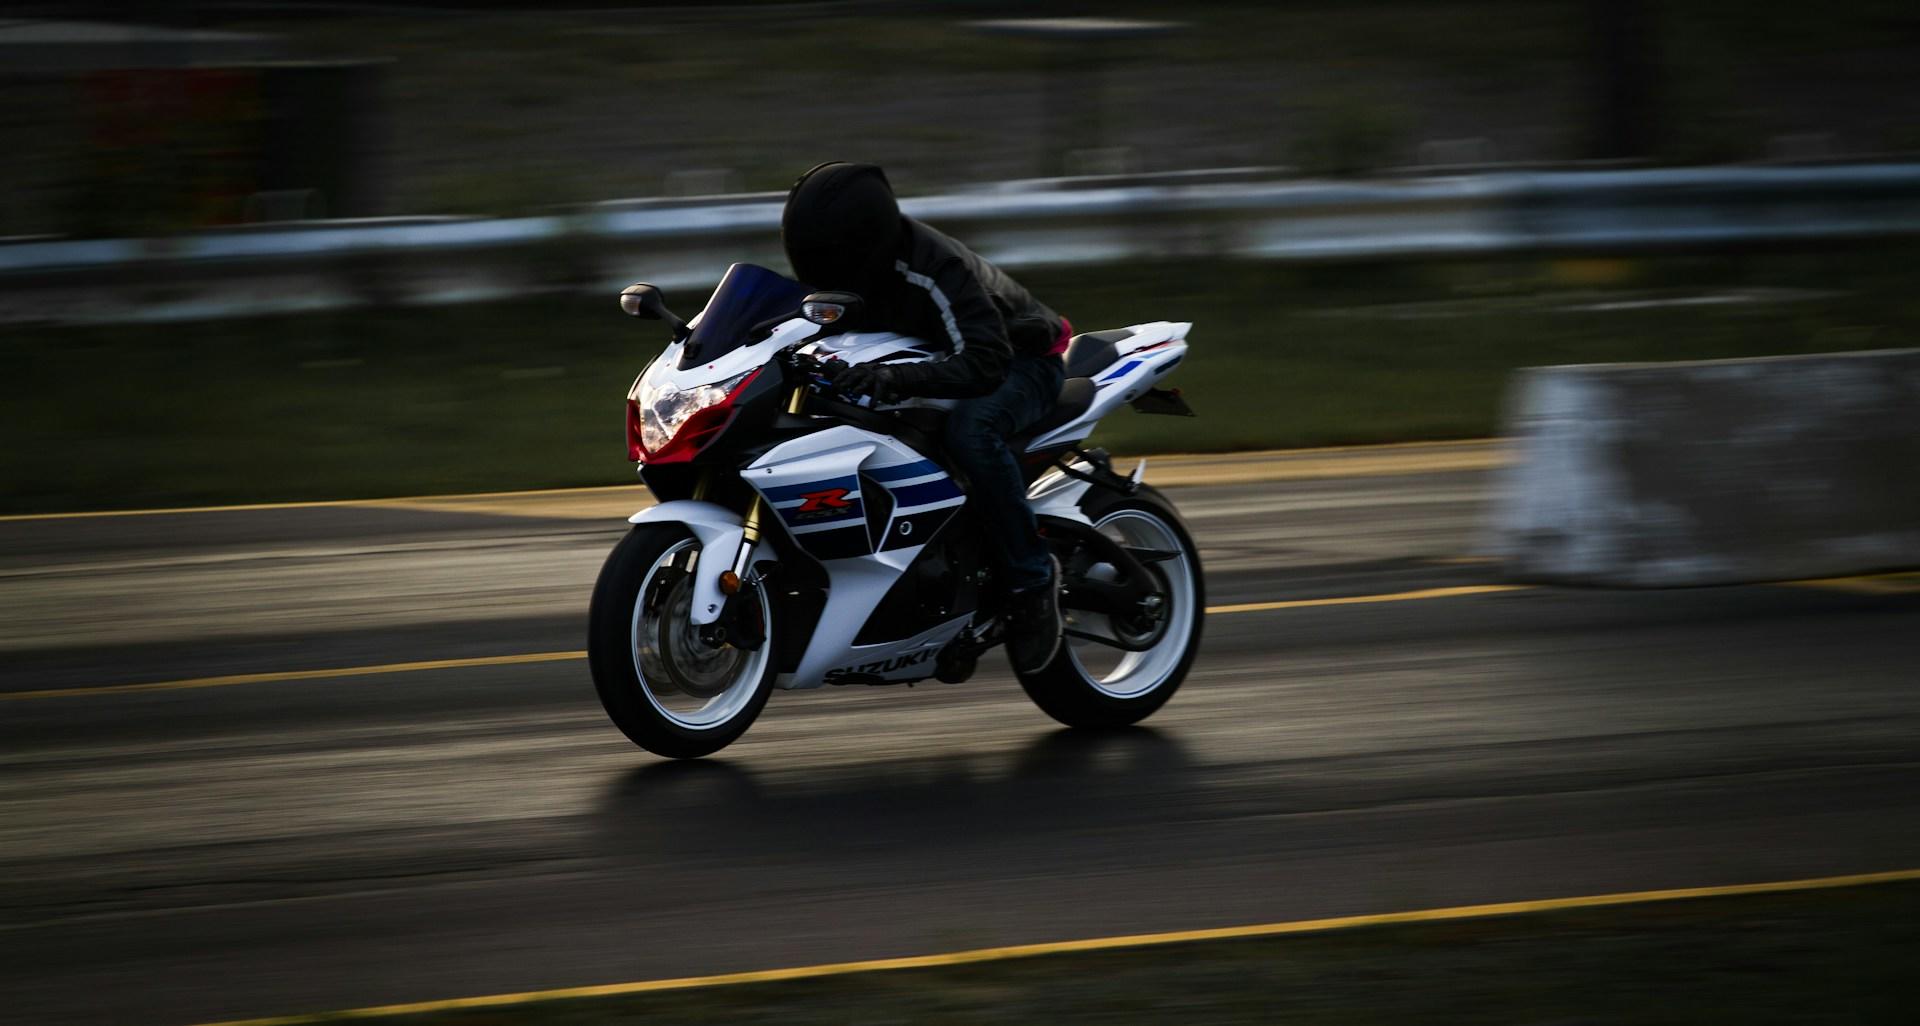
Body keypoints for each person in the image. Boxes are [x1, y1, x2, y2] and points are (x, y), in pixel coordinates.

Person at [781, 161, 1070, 673]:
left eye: (824, 253)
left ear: (860, 241)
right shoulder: (843, 271)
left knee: (971, 432)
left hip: (1022, 360)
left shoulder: (931, 269)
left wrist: (895, 381)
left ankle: (1031, 577)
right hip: (938, 357)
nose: (814, 265)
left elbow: (985, 362)